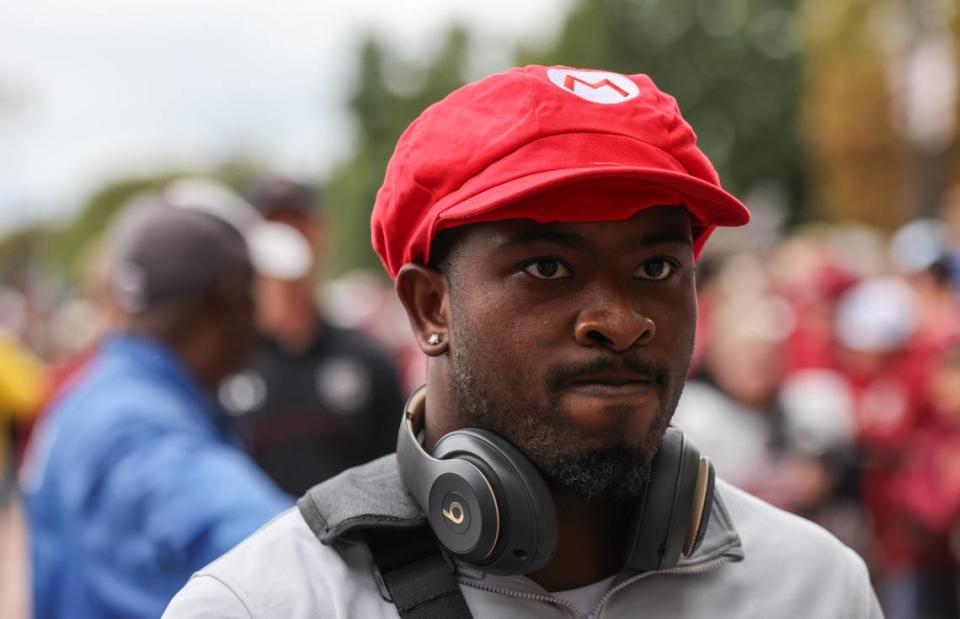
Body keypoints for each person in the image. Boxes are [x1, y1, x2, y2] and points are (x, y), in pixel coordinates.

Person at [165, 65, 882, 618]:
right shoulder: (265, 603)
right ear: (428, 307)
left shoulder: (816, 587)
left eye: (657, 266)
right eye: (548, 267)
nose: (620, 317)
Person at [21, 199, 292, 619]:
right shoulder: (135, 427)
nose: (262, 322)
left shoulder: (91, 397)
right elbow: (286, 551)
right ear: (228, 303)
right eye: (253, 299)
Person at [217, 176, 406, 496]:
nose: (288, 241)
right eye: (274, 229)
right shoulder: (223, 364)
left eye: (298, 226)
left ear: (321, 236)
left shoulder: (368, 359)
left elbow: (399, 476)